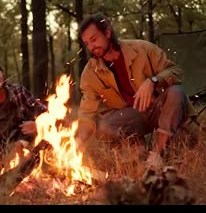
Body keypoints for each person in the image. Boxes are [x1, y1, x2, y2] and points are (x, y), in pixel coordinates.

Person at [76, 13, 195, 167]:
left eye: (94, 39)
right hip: (132, 116)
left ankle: (157, 155)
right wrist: (78, 143)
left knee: (176, 92)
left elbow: (176, 71)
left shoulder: (142, 48)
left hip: (158, 108)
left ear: (107, 32)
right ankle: (138, 151)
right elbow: (87, 112)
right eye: (87, 43)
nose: (92, 47)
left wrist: (153, 81)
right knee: (103, 126)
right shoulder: (91, 72)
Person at [0, 56, 47, 154]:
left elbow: (46, 113)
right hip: (4, 151)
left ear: (2, 74)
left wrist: (37, 124)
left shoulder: (19, 92)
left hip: (30, 142)